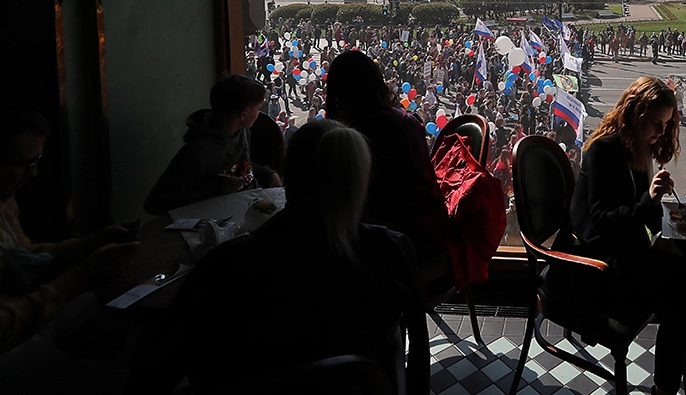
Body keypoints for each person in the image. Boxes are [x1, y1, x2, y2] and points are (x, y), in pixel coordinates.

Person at [125, 119, 428, 395]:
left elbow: (156, 371)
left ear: (288, 177)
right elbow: (417, 357)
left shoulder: (228, 265)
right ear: (359, 182)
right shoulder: (391, 250)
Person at [0, 111, 141, 390]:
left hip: (28, 315)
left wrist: (89, 244)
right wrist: (80, 277)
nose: (34, 173)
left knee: (127, 316)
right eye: (24, 164)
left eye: (37, 160)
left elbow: (24, 256)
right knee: (120, 381)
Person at [569, 76, 686, 395]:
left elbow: (635, 213)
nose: (661, 132)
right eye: (655, 123)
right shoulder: (604, 149)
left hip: (623, 250)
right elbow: (601, 222)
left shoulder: (636, 146)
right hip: (596, 266)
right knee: (685, 295)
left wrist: (665, 210)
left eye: (666, 123)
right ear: (635, 114)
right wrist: (649, 199)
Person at [324, 51, 449, 262]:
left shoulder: (371, 130)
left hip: (404, 241)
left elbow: (357, 195)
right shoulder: (402, 119)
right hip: (427, 225)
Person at [144, 75, 281, 216]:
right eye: (257, 109)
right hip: (222, 217)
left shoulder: (242, 130)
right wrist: (212, 193)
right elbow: (154, 204)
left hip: (250, 203)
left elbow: (239, 164)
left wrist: (268, 173)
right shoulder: (196, 152)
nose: (258, 114)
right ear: (244, 113)